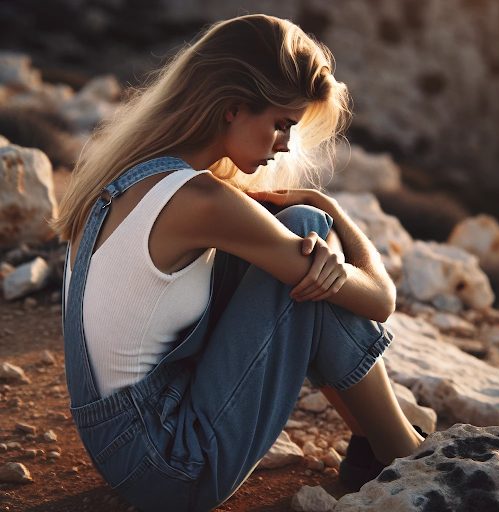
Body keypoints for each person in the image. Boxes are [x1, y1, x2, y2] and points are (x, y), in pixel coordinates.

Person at [51, 14, 427, 512]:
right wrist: (333, 211)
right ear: (231, 108)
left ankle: (377, 444)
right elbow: (381, 300)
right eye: (280, 125)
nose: (285, 145)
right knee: (307, 227)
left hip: (127, 444)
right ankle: (402, 450)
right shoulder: (201, 201)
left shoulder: (132, 174)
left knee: (298, 236)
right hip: (170, 467)